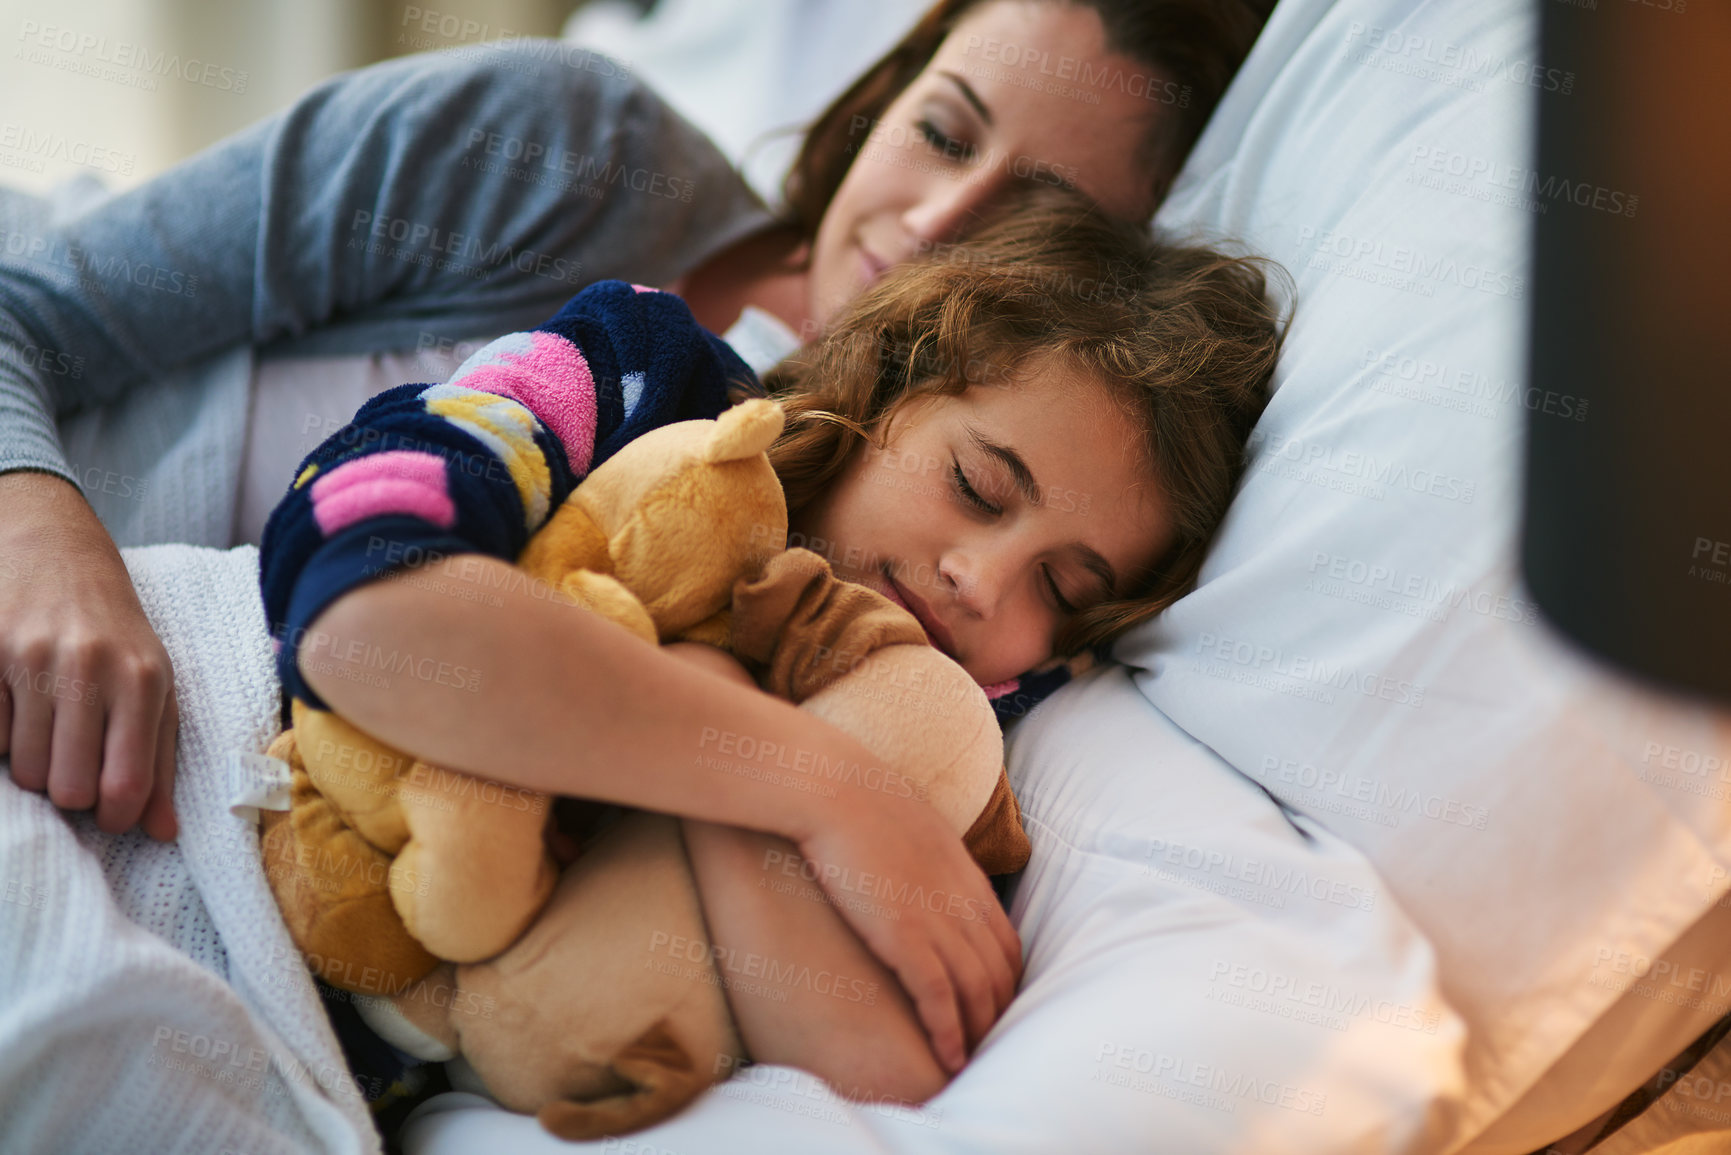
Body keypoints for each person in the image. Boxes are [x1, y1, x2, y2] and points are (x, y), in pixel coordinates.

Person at [0, 0, 1268, 1065]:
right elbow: (356, 597)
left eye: (1027, 223)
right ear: (887, 87)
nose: (937, 226)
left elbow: (883, 1067)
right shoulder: (620, 304)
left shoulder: (943, 636)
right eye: (941, 130)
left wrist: (724, 745)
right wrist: (47, 540)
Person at [261, 189, 1283, 1107]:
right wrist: (815, 783)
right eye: (976, 487)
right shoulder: (642, 373)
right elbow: (361, 614)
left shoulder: (958, 716)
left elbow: (885, 1079)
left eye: (1062, 588)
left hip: (307, 1068)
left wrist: (732, 791)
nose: (982, 580)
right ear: (889, 381)